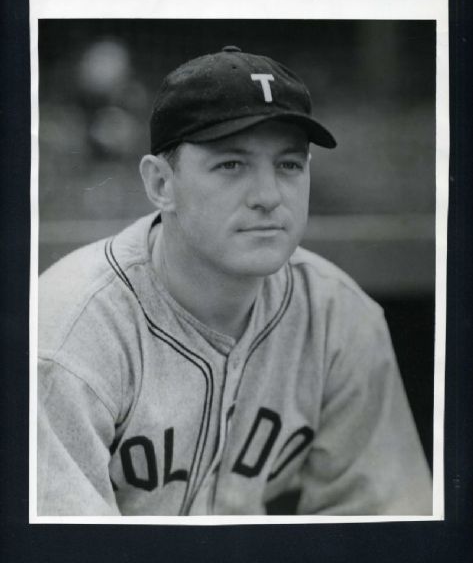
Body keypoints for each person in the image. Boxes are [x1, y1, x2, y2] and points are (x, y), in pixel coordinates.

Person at [37, 46, 432, 516]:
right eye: (231, 164)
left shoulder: (340, 320)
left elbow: (385, 529)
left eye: (288, 164)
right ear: (161, 184)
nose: (268, 196)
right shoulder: (67, 339)